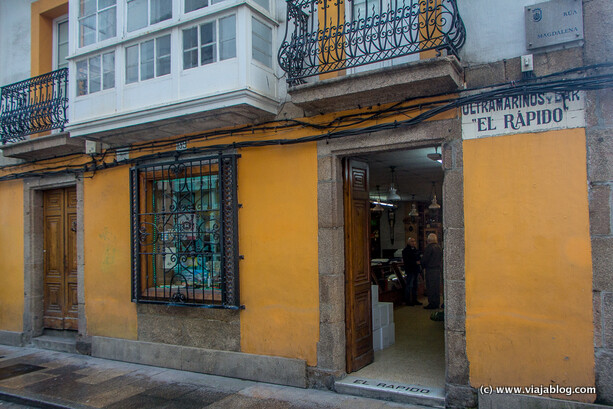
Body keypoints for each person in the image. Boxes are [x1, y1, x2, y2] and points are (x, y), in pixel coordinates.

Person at [422, 233, 443, 309]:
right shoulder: (439, 247)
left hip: (430, 270)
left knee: (430, 287)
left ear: (428, 240)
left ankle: (432, 303)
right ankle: (437, 303)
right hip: (438, 269)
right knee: (436, 288)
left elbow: (425, 259)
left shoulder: (429, 248)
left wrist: (422, 265)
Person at [401, 237, 422, 306]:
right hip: (410, 270)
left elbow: (418, 257)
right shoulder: (405, 251)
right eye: (412, 241)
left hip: (415, 270)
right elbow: (407, 262)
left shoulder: (416, 250)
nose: (413, 243)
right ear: (408, 242)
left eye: (414, 241)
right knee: (409, 285)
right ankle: (408, 300)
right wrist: (415, 262)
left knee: (415, 286)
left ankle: (414, 299)